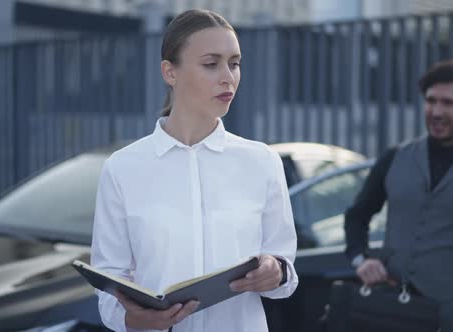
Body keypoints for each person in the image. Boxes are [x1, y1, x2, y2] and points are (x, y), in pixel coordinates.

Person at [91, 9, 298, 332]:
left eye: (235, 63)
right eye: (211, 63)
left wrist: (277, 271)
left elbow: (285, 270)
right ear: (170, 72)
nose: (228, 76)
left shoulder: (263, 162)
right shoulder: (122, 168)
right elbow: (108, 280)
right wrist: (131, 318)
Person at [344, 60, 453, 332]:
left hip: (451, 320)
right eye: (431, 101)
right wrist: (361, 259)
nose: (436, 111)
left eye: (448, 103)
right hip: (387, 312)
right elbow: (356, 217)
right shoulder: (394, 158)